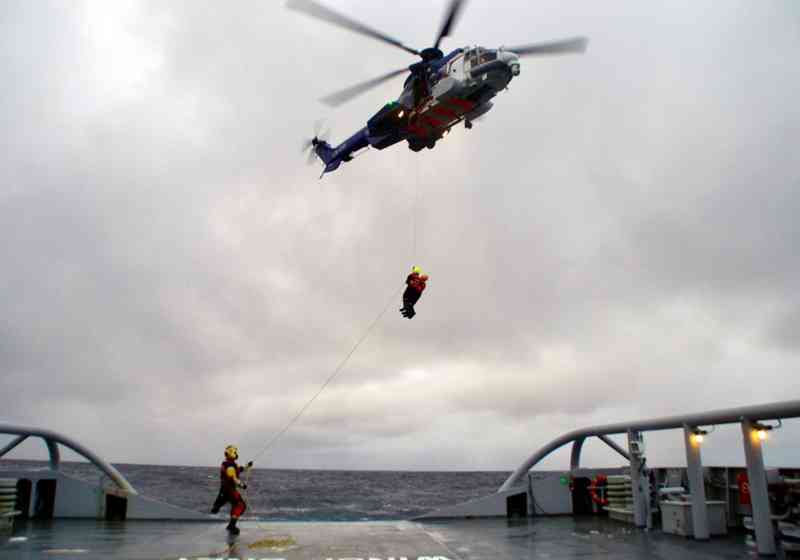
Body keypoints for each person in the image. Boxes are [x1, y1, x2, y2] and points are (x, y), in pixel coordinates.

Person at [211, 445, 253, 535]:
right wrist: (242, 485)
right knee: (240, 506)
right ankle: (231, 525)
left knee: (229, 504)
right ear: (231, 452)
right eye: (235, 452)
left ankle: (217, 507)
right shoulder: (229, 465)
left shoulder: (228, 463)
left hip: (225, 489)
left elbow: (239, 470)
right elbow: (233, 477)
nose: (236, 454)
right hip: (230, 489)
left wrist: (247, 466)